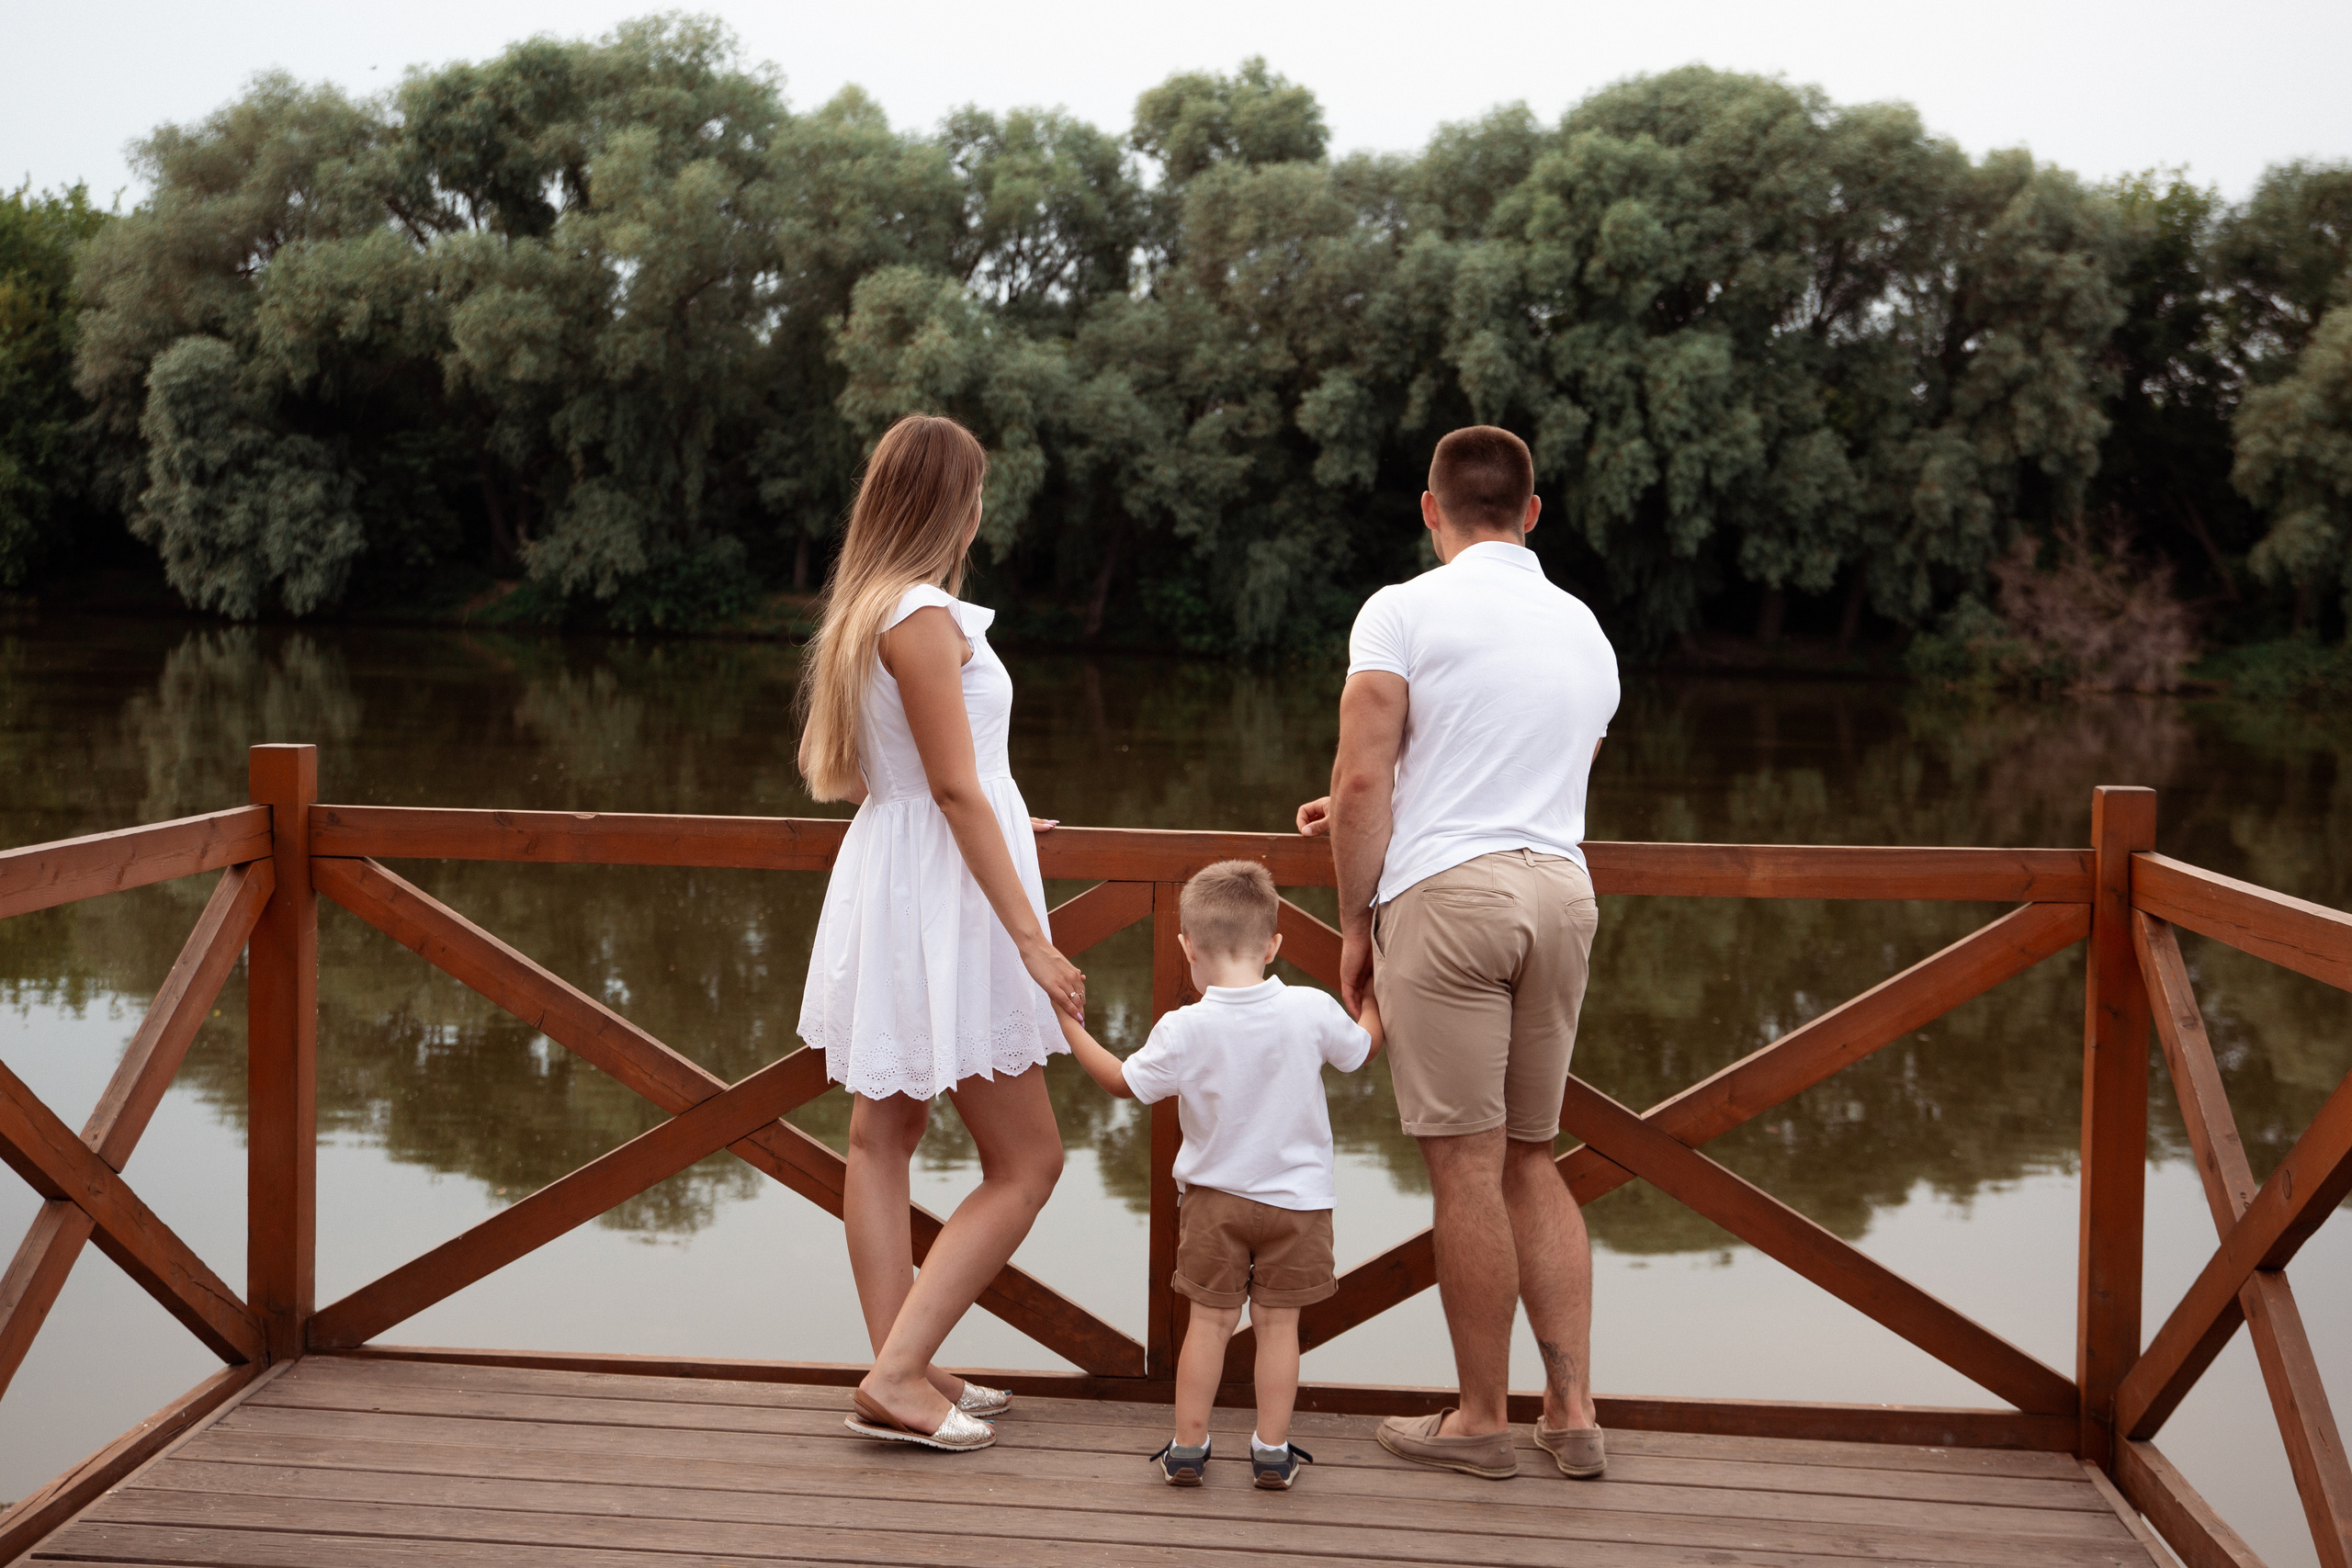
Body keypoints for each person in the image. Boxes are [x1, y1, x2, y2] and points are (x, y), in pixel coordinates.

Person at [1296, 424, 1619, 1481]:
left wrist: (1354, 925)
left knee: (1466, 1170)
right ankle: (1570, 1412)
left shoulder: (1402, 608)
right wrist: (1409, 801)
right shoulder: (1582, 626)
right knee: (1533, 1156)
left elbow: (1360, 782)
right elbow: (1523, 757)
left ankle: (1481, 1419)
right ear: (1531, 513)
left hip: (1450, 902)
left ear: (1430, 510)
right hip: (1560, 893)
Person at [796, 413, 1087, 1453]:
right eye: (976, 491)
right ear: (949, 503)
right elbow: (953, 788)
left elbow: (930, 779)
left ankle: (898, 1366)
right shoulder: (920, 615)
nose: (982, 508)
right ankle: (900, 1373)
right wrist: (1031, 939)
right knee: (1030, 1159)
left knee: (884, 1136)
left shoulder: (867, 612)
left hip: (905, 870)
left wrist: (1008, 809)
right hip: (947, 895)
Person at [1057, 860, 1381, 1491]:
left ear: (1187, 948)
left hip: (1213, 1203)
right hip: (1300, 1205)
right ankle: (1270, 1449)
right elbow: (1363, 1047)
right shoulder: (1311, 1010)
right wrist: (1376, 996)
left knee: (1208, 1323)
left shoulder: (1185, 1026)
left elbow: (1124, 1082)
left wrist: (1070, 1024)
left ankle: (1187, 1446)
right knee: (1279, 1326)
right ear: (1274, 944)